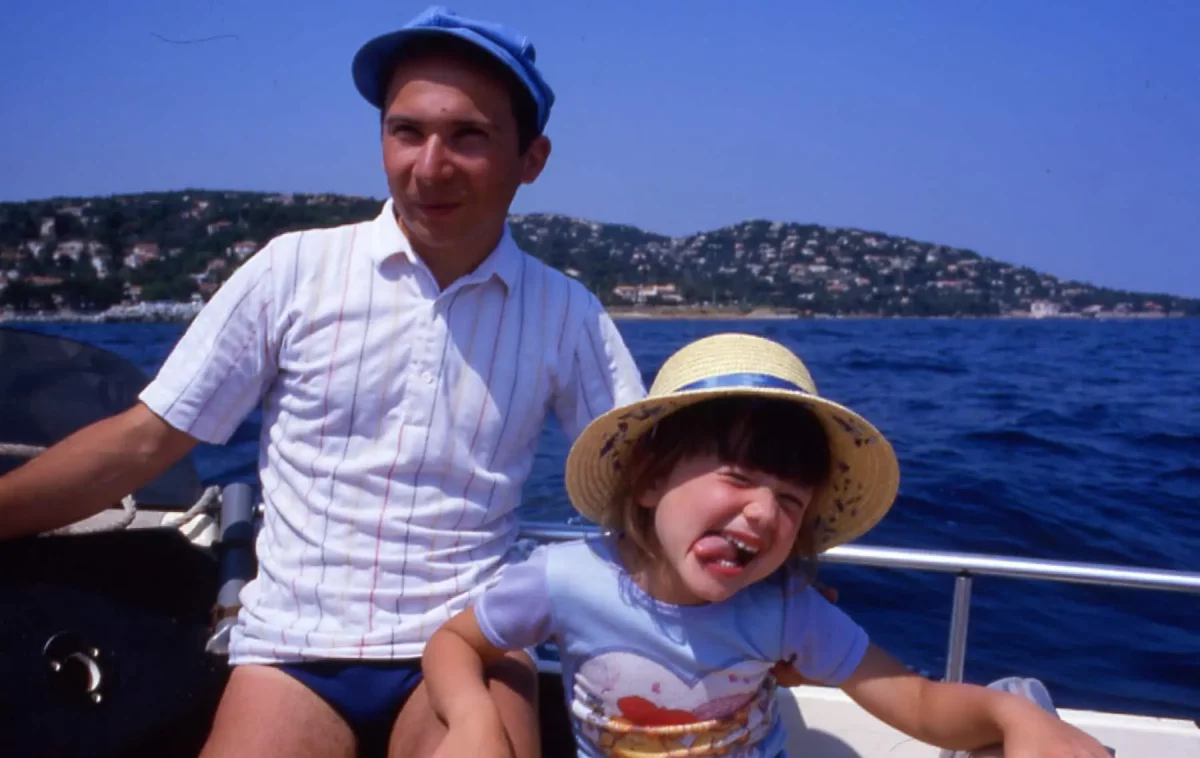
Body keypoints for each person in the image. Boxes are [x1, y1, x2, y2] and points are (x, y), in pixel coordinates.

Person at [0, 6, 647, 758]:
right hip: (292, 648)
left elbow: (640, 487)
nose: (429, 166)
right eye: (407, 131)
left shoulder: (567, 313)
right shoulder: (291, 272)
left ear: (531, 158)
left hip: (473, 639)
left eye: (468, 136)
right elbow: (143, 442)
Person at [422, 333, 1111, 757]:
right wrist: (475, 720)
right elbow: (454, 643)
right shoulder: (565, 579)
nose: (762, 514)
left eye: (789, 501)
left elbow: (918, 703)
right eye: (738, 478)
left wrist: (1009, 716)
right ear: (650, 480)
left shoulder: (785, 609)